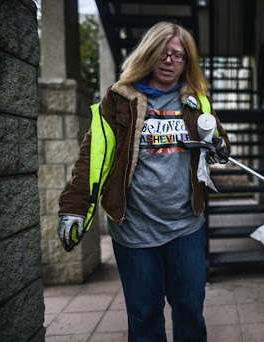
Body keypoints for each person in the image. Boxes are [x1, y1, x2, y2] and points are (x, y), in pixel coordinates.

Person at [57, 21, 230, 342]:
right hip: (135, 229)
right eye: (163, 53)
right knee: (144, 315)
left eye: (179, 56)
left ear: (187, 62)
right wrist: (74, 207)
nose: (170, 61)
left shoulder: (196, 101)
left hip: (186, 227)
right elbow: (91, 157)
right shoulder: (119, 99)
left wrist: (218, 147)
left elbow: (220, 143)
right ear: (148, 54)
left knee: (190, 308)